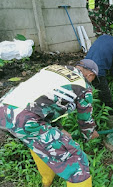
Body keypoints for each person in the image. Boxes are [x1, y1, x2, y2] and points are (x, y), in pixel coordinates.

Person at [0, 59, 100, 187]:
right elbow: (85, 120)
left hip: (4, 110)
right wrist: (90, 134)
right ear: (90, 75)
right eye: (93, 79)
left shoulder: (52, 68)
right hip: (26, 119)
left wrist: (58, 129)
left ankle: (46, 182)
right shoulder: (83, 86)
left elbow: (43, 102)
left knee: (37, 143)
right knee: (75, 159)